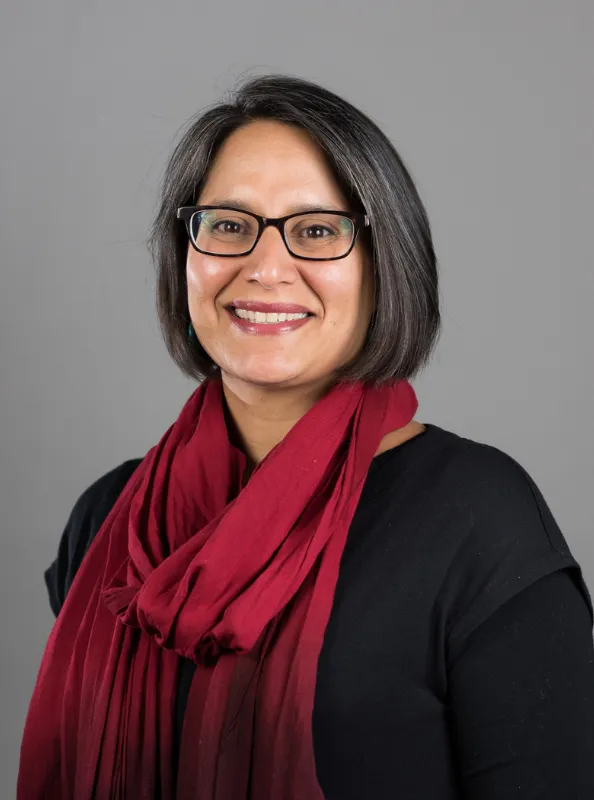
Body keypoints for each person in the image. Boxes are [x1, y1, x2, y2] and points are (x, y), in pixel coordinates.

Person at [18, 74, 594, 800]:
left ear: (385, 266)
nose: (264, 267)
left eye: (316, 231)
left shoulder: (480, 524)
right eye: (229, 224)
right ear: (184, 253)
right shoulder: (109, 519)